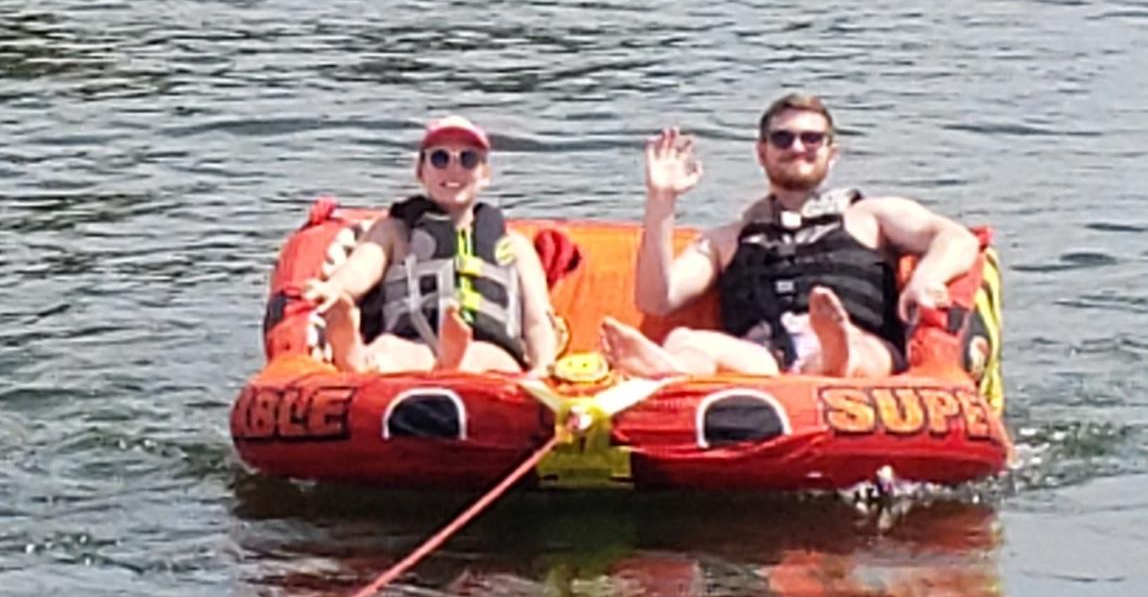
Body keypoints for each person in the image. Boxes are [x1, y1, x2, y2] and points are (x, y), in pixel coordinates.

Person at [600, 93, 979, 381]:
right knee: (686, 339)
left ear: (832, 153)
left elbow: (956, 237)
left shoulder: (873, 216)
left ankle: (835, 357)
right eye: (782, 139)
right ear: (761, 153)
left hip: (862, 345)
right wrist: (661, 200)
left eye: (812, 139)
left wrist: (927, 279)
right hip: (765, 359)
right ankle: (668, 373)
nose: (798, 147)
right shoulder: (726, 240)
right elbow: (656, 299)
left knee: (854, 345)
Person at [301, 116, 559, 376]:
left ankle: (452, 363)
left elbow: (538, 320)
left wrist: (542, 366)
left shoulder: (515, 246)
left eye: (468, 159)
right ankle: (354, 358)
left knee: (485, 357)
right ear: (420, 172)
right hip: (414, 342)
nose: (453, 169)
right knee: (387, 349)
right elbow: (362, 268)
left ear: (485, 175)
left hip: (484, 347)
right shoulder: (394, 231)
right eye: (440, 158)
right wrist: (335, 288)